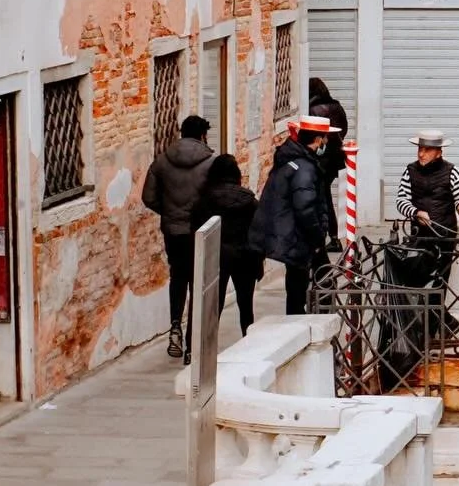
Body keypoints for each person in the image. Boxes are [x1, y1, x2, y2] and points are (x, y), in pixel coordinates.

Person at [141, 113, 215, 359]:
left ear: (181, 133)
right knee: (198, 283)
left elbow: (148, 197)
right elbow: (215, 198)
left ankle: (175, 326)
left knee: (178, 277)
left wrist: (170, 212)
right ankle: (193, 344)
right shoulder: (210, 163)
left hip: (173, 231)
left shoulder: (162, 161)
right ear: (202, 135)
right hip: (200, 231)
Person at [248, 115, 331, 314]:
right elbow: (305, 208)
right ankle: (309, 325)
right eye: (325, 138)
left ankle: (304, 321)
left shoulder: (292, 160)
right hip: (300, 238)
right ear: (318, 139)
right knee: (316, 282)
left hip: (296, 237)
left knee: (302, 284)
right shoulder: (304, 168)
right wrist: (318, 237)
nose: (326, 142)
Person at [193, 154, 263, 336]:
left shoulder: (205, 201)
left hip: (217, 257)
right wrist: (258, 260)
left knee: (214, 307)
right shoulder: (249, 201)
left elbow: (196, 228)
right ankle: (248, 341)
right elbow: (260, 232)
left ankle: (202, 347)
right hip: (245, 256)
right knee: (246, 306)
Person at [395, 130, 459, 289]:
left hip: (445, 234)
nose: (421, 154)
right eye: (420, 149)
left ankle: (437, 312)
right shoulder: (410, 170)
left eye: (427, 150)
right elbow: (401, 200)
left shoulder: (451, 171)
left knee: (441, 279)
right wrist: (416, 213)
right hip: (419, 235)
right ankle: (423, 313)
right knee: (419, 279)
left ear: (438, 153)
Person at [308, 76, 348, 247]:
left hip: (320, 160)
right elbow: (343, 129)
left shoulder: (313, 110)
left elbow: (310, 134)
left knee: (322, 197)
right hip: (335, 159)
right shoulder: (337, 106)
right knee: (324, 194)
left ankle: (332, 235)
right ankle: (333, 235)